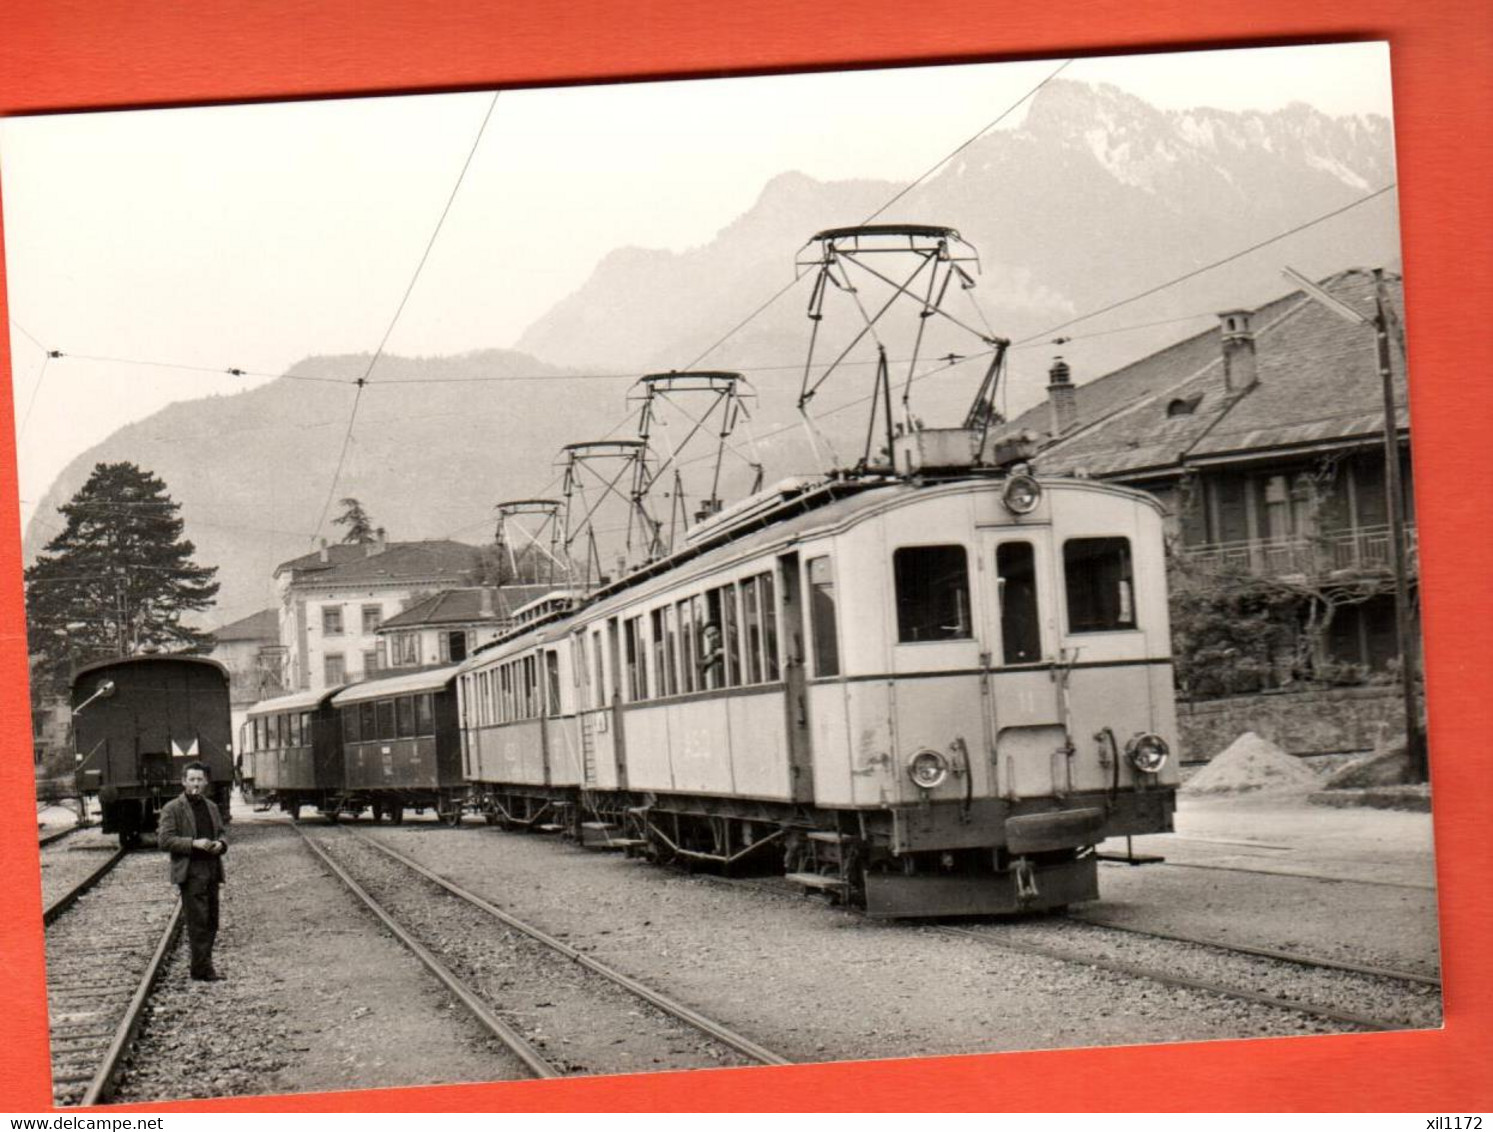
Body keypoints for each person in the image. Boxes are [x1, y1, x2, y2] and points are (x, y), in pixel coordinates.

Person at [157, 761, 228, 981]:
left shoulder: (212, 807)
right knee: (198, 922)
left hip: (212, 868)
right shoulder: (173, 808)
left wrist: (221, 845)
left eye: (200, 779)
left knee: (212, 920)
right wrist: (194, 843)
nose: (196, 784)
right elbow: (164, 840)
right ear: (184, 782)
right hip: (191, 870)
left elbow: (222, 833)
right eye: (192, 779)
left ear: (206, 782)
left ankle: (201, 967)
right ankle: (203, 969)